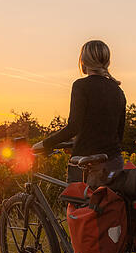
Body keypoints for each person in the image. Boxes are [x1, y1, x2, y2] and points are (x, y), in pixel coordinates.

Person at [32, 40, 127, 181]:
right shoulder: (118, 90)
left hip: (86, 164)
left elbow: (73, 127)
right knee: (110, 202)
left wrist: (44, 144)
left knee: (77, 202)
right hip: (114, 162)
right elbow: (118, 134)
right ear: (107, 62)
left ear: (83, 61)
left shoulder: (81, 86)